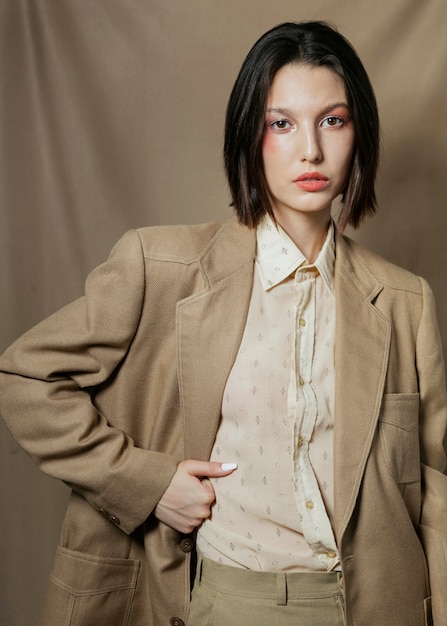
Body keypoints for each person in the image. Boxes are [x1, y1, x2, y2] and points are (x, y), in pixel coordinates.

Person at [0, 20, 446, 626]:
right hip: (228, 602)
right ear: (248, 136)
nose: (310, 149)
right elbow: (25, 378)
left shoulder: (404, 301)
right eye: (281, 123)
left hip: (380, 607)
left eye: (332, 120)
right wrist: (149, 482)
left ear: (358, 133)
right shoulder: (159, 266)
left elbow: (433, 487)